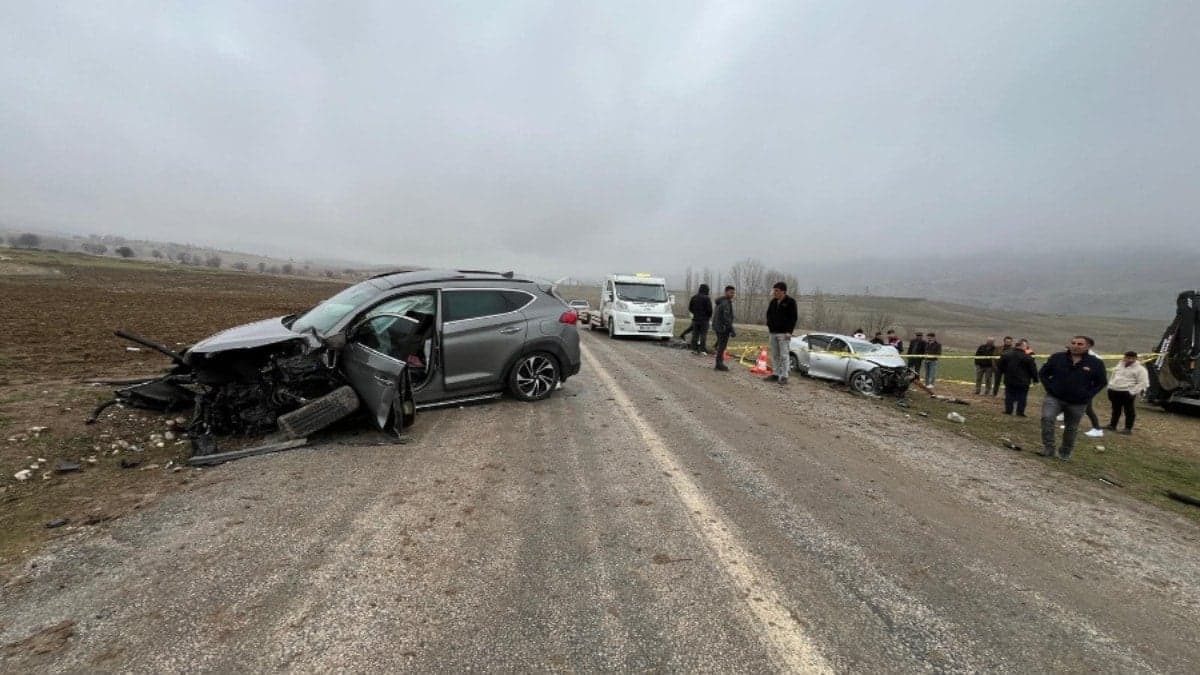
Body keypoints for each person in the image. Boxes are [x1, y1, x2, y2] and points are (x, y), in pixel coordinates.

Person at [1039, 336, 1108, 460]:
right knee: (1047, 418)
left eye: (1080, 344)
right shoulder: (1057, 358)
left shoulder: (1095, 363)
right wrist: (1050, 387)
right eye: (1073, 343)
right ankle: (1049, 448)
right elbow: (1043, 373)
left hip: (1078, 402)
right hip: (1055, 397)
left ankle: (1065, 452)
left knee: (1071, 427)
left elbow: (1101, 382)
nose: (1075, 346)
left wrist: (1088, 394)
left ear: (1088, 347)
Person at [1106, 351, 1149, 434]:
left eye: (1132, 358)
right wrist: (1110, 386)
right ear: (1124, 357)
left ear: (1136, 358)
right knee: (1115, 409)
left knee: (1129, 410)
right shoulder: (1119, 365)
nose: (1130, 360)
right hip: (1114, 390)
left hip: (1127, 392)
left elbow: (1143, 383)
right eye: (1128, 357)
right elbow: (1113, 376)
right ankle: (1112, 425)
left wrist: (1132, 392)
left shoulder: (1140, 369)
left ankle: (1128, 428)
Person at [764, 282, 798, 385]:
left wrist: (789, 332)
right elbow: (768, 314)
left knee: (784, 355)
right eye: (774, 290)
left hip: (784, 333)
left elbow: (793, 318)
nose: (774, 293)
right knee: (775, 355)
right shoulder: (773, 302)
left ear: (783, 291)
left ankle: (784, 376)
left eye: (777, 291)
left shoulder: (790, 302)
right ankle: (775, 374)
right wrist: (769, 325)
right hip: (773, 332)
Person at [997, 339, 1037, 415]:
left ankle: (1008, 410)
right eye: (1025, 346)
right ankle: (1020, 412)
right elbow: (1033, 369)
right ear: (1022, 346)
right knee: (1022, 396)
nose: (1026, 348)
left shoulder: (1006, 354)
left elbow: (1000, 366)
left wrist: (1005, 372)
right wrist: (1035, 379)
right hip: (1024, 380)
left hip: (1009, 379)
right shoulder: (1028, 357)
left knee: (1009, 395)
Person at [1081, 337, 1107, 437]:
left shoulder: (1096, 360)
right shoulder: (1076, 356)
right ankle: (1069, 423)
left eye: (1081, 344)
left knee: (1088, 409)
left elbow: (1100, 379)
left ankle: (1097, 429)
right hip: (1076, 387)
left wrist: (1091, 391)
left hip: (1087, 389)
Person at [712, 286, 737, 371]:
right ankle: (719, 364)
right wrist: (731, 329)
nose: (732, 294)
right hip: (722, 327)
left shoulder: (722, 301)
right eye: (731, 292)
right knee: (722, 346)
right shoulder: (725, 302)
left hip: (718, 326)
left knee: (720, 345)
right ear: (726, 292)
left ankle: (719, 363)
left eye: (733, 293)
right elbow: (726, 318)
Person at [687, 284, 713, 355]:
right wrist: (708, 316)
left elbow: (690, 308)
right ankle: (702, 350)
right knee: (703, 335)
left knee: (695, 334)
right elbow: (710, 310)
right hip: (704, 320)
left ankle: (694, 349)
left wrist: (695, 313)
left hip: (695, 319)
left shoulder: (694, 297)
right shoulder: (707, 298)